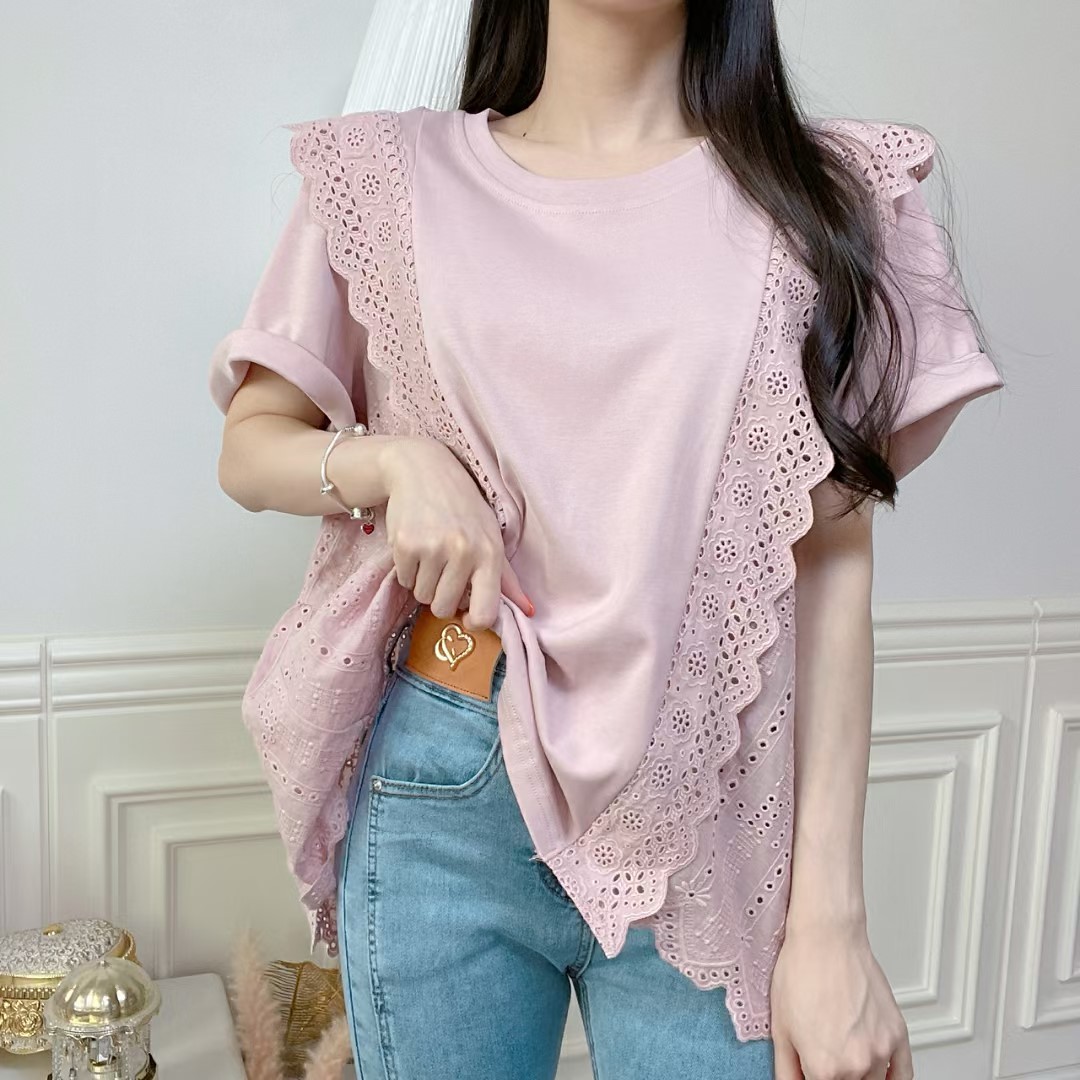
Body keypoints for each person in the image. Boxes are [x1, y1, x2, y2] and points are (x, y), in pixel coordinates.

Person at [208, 2, 1005, 1077]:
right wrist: (394, 463)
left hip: (713, 816)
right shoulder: (386, 176)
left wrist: (832, 927)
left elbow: (832, 563)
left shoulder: (831, 195)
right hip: (442, 786)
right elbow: (252, 443)